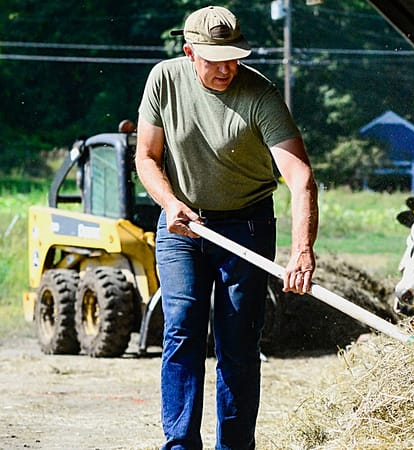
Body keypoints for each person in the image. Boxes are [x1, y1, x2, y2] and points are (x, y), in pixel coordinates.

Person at [134, 5, 318, 449]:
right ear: (188, 51)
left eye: (234, 56)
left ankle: (234, 446)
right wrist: (170, 203)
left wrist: (302, 250)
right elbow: (146, 157)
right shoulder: (164, 80)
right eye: (215, 59)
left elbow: (301, 178)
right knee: (182, 325)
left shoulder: (261, 95)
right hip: (182, 224)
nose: (227, 68)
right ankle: (179, 444)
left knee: (238, 341)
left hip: (247, 226)